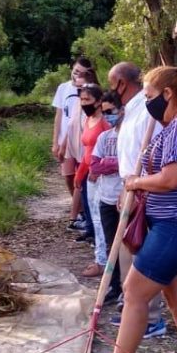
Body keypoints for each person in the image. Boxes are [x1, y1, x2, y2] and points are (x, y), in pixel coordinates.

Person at [76, 64, 177, 353]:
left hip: (176, 226)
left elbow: (171, 178)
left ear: (169, 94)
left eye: (151, 96)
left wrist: (136, 182)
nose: (148, 103)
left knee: (134, 292)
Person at [106, 61, 166, 337]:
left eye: (111, 84)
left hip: (146, 190)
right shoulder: (130, 112)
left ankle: (151, 317)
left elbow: (153, 152)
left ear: (122, 83)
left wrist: (139, 186)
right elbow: (128, 154)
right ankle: (132, 308)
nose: (110, 90)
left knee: (142, 252)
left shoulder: (147, 111)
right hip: (129, 187)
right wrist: (124, 187)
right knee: (127, 250)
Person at [89, 90, 125, 304]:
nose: (108, 116)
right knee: (112, 244)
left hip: (125, 198)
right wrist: (115, 164)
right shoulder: (104, 137)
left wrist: (108, 164)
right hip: (106, 197)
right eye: (104, 113)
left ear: (122, 109)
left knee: (127, 246)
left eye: (110, 111)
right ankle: (114, 285)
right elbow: (94, 165)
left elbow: (129, 163)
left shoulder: (128, 135)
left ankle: (126, 289)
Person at [72, 84, 110, 277]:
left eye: (87, 100)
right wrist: (79, 174)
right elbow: (86, 152)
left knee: (100, 219)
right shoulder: (88, 119)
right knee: (94, 219)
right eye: (82, 100)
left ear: (98, 101)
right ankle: (100, 258)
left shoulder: (105, 121)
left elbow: (111, 146)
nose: (84, 103)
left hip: (102, 175)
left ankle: (103, 261)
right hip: (88, 172)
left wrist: (99, 168)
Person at [53, 58, 94, 205]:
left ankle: (82, 210)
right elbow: (59, 116)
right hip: (65, 138)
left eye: (82, 73)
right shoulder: (63, 88)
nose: (77, 75)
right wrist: (55, 142)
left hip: (84, 138)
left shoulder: (89, 89)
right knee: (68, 175)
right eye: (76, 71)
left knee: (82, 175)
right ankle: (80, 208)